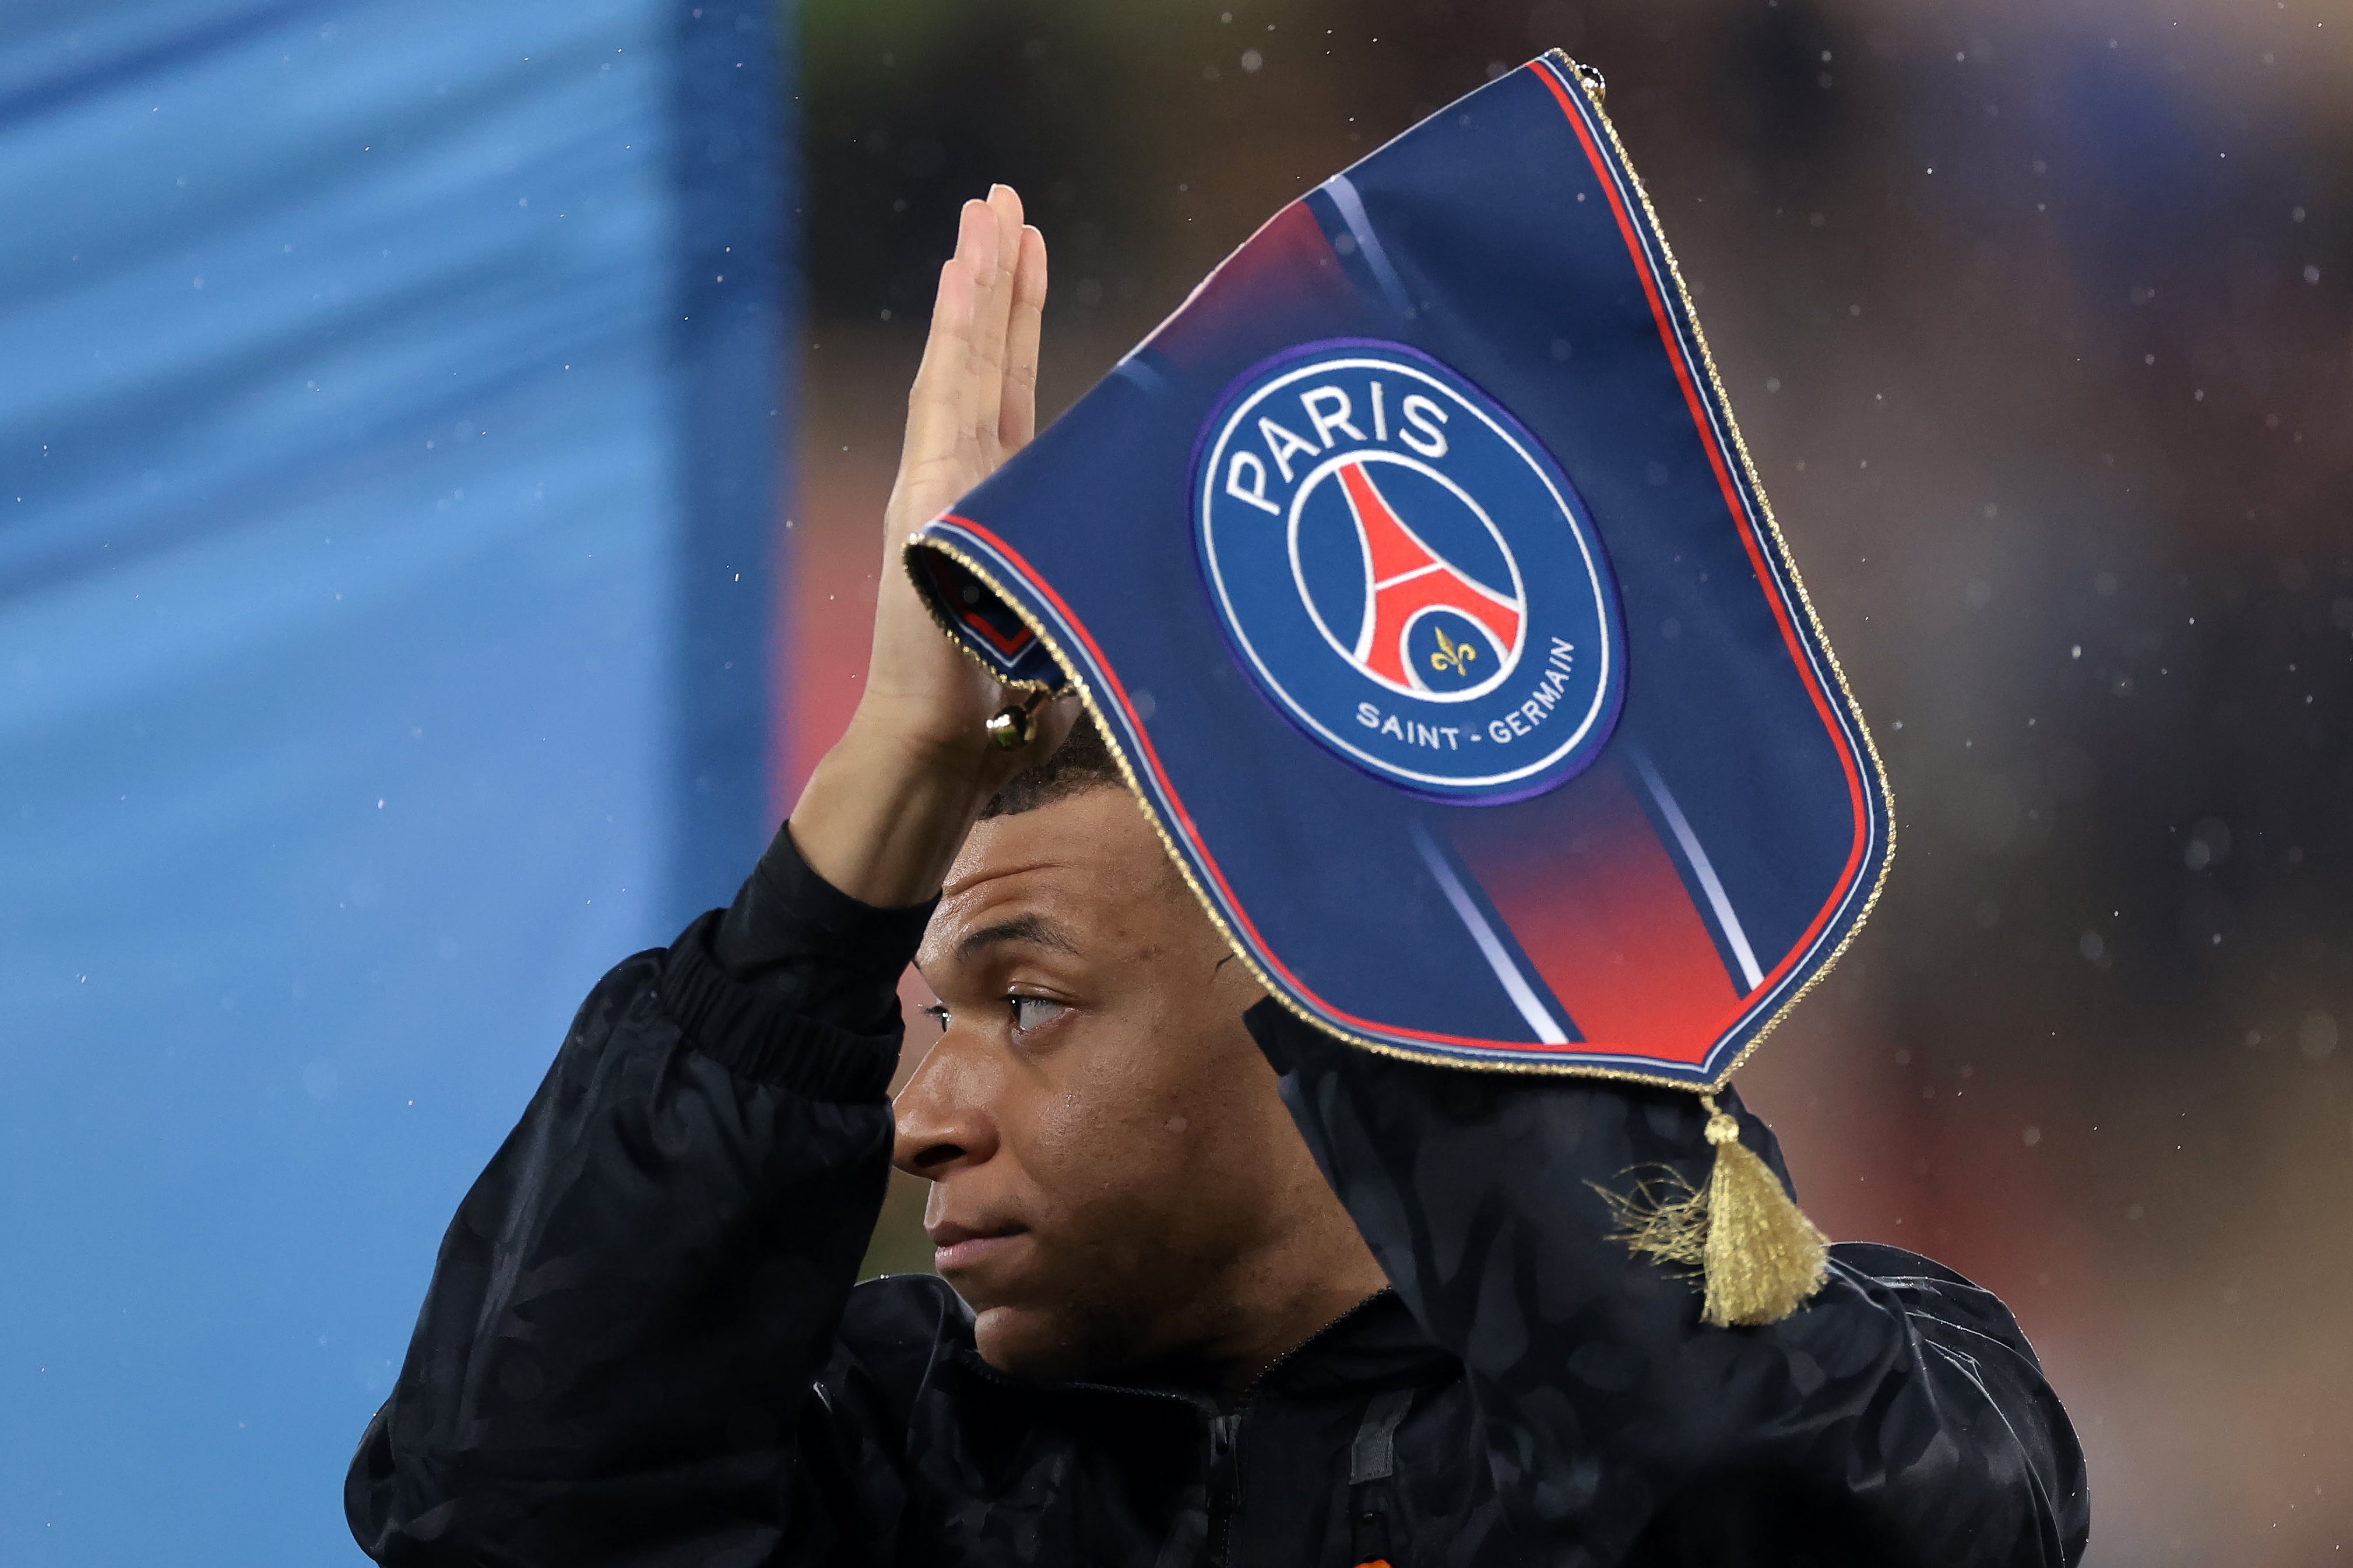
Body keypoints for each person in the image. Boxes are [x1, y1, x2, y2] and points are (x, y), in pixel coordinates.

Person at [345, 186, 2087, 1568]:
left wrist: (1371, 846)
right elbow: (496, 1511)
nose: (922, 1112)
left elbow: (1767, 1503)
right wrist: (891, 766)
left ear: (1299, 995)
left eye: (1023, 1003)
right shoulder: (902, 1458)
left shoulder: (1900, 1375)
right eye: (926, 1011)